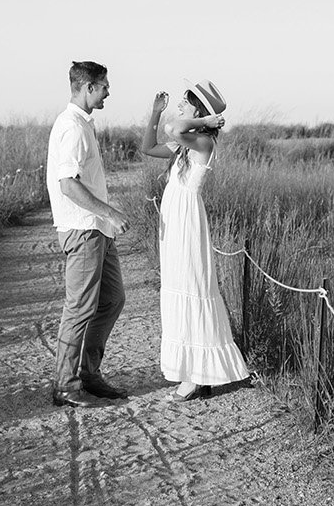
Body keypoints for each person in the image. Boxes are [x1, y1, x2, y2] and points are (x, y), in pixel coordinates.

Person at [139, 79, 250, 401]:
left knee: (193, 287)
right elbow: (148, 148)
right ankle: (192, 371)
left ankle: (201, 375)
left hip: (188, 220)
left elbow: (175, 130)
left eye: (185, 104)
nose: (179, 107)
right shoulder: (186, 144)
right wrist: (154, 114)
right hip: (175, 218)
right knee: (178, 286)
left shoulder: (202, 142)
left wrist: (204, 122)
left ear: (200, 112)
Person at [46, 60, 132, 408]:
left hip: (96, 230)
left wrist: (105, 222)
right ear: (88, 88)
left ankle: (88, 373)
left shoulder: (82, 124)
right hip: (83, 231)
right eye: (104, 85)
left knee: (112, 299)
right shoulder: (72, 127)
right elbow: (68, 185)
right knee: (79, 308)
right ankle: (66, 386)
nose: (109, 91)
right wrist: (110, 213)